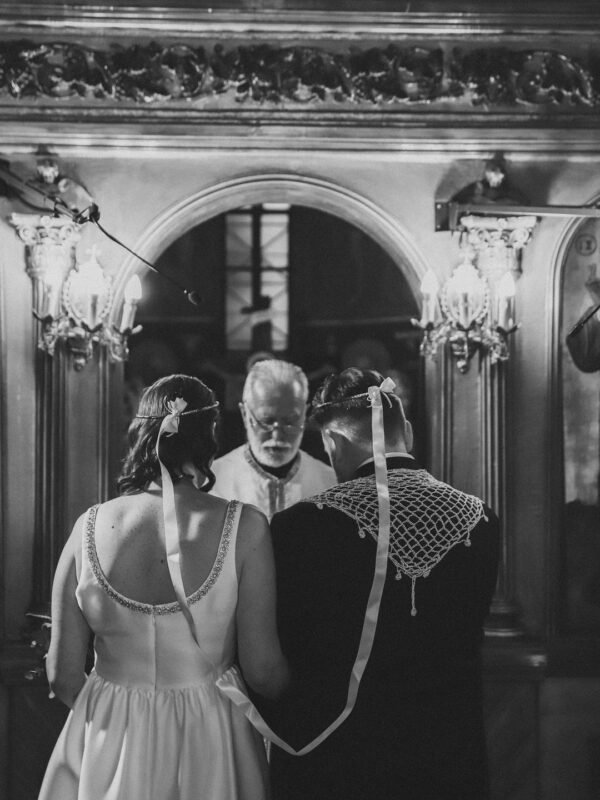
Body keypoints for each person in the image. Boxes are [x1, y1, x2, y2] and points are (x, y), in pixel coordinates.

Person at [238, 368, 500, 800]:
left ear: (334, 443)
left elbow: (277, 654)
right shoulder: (482, 519)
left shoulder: (299, 527)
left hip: (339, 765)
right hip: (450, 762)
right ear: (408, 433)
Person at [39, 374, 289, 800]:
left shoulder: (89, 527)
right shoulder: (244, 528)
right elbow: (263, 669)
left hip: (108, 742)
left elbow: (62, 676)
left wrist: (119, 719)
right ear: (209, 435)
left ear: (141, 431)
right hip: (213, 738)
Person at [211, 359, 336, 519]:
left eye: (290, 421)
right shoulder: (213, 484)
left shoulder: (330, 484)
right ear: (245, 414)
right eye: (267, 421)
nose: (277, 435)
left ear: (304, 414)